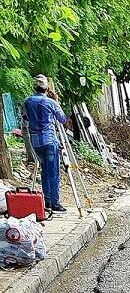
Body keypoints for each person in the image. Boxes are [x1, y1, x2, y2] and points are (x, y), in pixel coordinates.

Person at [22, 75, 68, 216]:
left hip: (36, 142)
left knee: (44, 171)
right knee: (53, 172)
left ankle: (46, 201)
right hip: (49, 141)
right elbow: (63, 119)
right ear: (47, 88)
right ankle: (54, 203)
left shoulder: (27, 101)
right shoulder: (51, 102)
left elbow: (25, 118)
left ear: (34, 87)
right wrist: (56, 101)